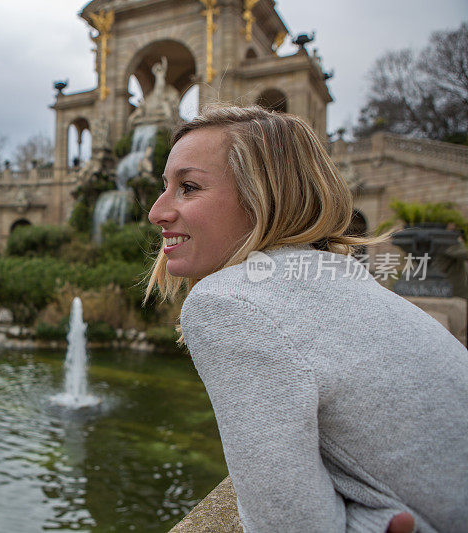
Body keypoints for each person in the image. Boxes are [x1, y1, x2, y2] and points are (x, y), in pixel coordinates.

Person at [145, 105, 468, 532]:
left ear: (262, 196)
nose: (156, 211)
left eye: (188, 187)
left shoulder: (230, 302)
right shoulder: (338, 275)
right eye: (165, 187)